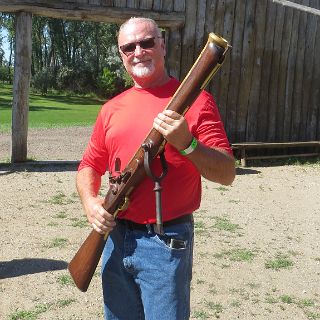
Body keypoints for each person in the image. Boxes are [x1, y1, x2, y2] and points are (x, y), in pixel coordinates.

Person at [76, 17, 235, 320]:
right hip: (114, 237)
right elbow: (88, 166)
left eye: (147, 42)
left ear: (162, 45)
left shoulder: (199, 101)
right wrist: (90, 203)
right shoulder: (111, 108)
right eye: (129, 47)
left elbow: (227, 173)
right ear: (121, 54)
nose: (139, 51)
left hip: (166, 240)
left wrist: (187, 143)